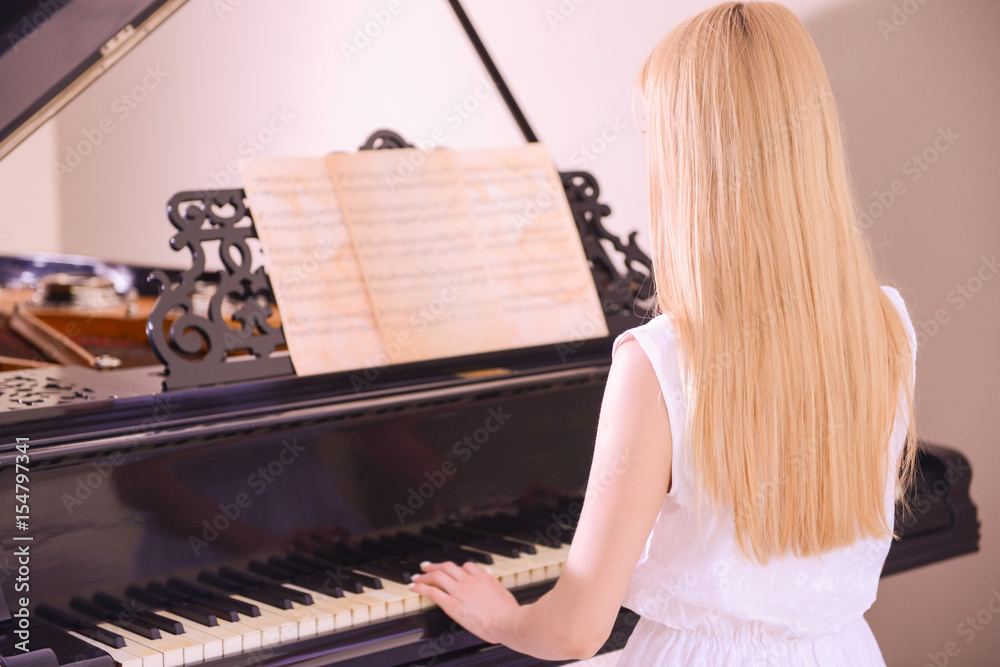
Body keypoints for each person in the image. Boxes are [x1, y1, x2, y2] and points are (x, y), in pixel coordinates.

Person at [409, 2, 918, 664]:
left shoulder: (661, 361)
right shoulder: (887, 323)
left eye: (653, 136)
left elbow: (575, 630)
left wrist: (504, 617)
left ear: (690, 162)